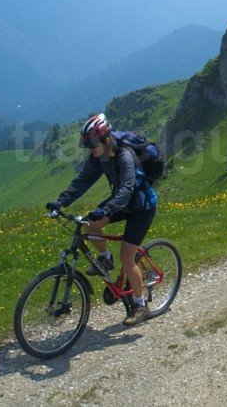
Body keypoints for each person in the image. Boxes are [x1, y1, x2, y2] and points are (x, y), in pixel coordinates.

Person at [46, 113, 158, 326]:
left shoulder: (124, 155)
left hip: (142, 206)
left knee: (127, 256)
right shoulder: (99, 156)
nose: (90, 150)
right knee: (89, 223)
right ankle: (106, 260)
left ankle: (140, 305)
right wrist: (61, 202)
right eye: (88, 146)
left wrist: (106, 210)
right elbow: (83, 180)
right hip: (123, 202)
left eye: (93, 145)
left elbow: (126, 188)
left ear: (106, 139)